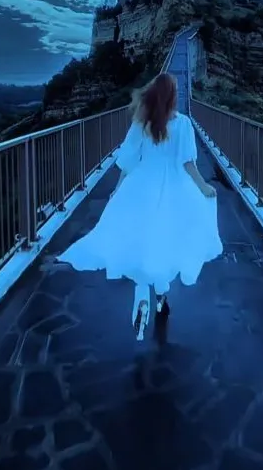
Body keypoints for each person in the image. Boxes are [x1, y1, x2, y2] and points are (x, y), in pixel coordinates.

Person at [56, 72, 223, 341]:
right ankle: (159, 298)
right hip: (172, 188)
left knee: (141, 241)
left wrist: (118, 190)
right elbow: (187, 163)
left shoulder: (141, 123)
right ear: (172, 96)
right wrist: (203, 187)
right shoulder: (183, 124)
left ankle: (142, 296)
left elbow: (128, 161)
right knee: (161, 243)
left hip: (142, 184)